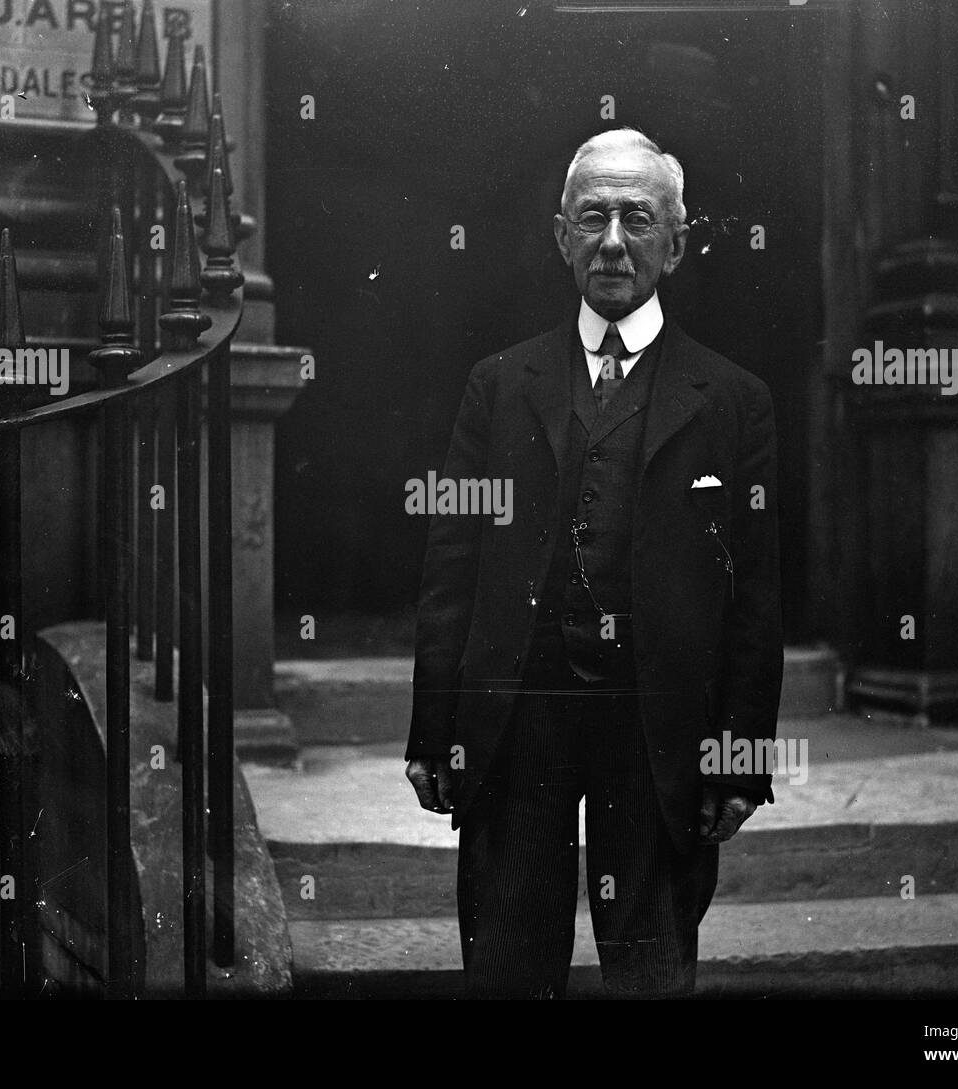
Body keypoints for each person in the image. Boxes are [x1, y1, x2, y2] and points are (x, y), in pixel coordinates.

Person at [405, 127, 783, 998]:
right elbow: (451, 568)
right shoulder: (498, 386)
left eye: (638, 219)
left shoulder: (734, 400)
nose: (614, 242)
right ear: (561, 235)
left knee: (650, 970)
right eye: (593, 218)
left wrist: (740, 753)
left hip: (656, 728)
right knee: (507, 961)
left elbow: (754, 598)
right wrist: (434, 730)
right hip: (520, 718)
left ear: (677, 243)